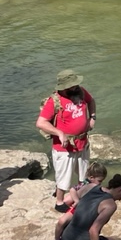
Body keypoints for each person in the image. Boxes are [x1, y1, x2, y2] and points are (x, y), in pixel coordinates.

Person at [36, 69, 96, 213]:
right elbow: (41, 122)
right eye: (72, 86)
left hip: (82, 142)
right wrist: (59, 133)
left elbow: (91, 100)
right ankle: (59, 202)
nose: (75, 87)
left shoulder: (81, 92)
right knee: (64, 176)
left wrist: (92, 117)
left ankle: (82, 195)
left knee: (84, 174)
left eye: (76, 84)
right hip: (64, 147)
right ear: (63, 87)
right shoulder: (54, 101)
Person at [61, 174, 121, 240]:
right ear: (120, 190)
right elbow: (93, 230)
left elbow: (74, 193)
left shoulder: (91, 186)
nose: (120, 199)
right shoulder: (110, 205)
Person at [54, 161, 107, 240]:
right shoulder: (84, 184)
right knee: (61, 221)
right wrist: (76, 200)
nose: (100, 184)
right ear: (91, 178)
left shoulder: (97, 187)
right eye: (99, 181)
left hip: (86, 210)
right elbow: (72, 189)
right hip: (77, 208)